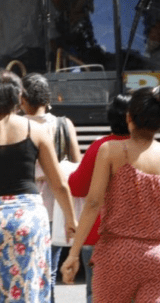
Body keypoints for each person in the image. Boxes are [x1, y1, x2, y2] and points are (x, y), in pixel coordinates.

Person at [61, 84, 160, 303]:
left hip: (116, 255)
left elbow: (92, 204)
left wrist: (73, 254)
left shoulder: (110, 151)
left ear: (129, 118)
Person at [0, 69, 77, 302]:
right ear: (18, 99)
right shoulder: (36, 130)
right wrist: (71, 219)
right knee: (28, 283)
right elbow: (60, 183)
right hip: (28, 218)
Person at [20, 72, 81, 302]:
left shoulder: (14, 126)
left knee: (25, 272)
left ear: (22, 100)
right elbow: (76, 168)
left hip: (23, 207)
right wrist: (71, 217)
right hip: (55, 208)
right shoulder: (64, 125)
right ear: (48, 99)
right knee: (50, 272)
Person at [67, 94, 131, 303]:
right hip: (139, 240)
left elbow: (77, 187)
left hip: (98, 236)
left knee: (97, 296)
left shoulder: (100, 147)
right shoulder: (152, 149)